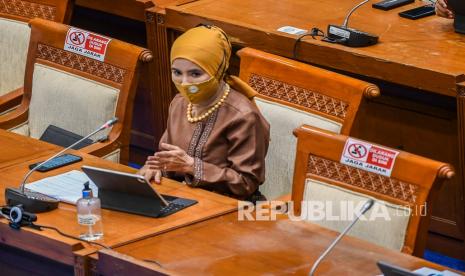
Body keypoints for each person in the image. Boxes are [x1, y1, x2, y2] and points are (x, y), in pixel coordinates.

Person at [138, 25, 270, 202]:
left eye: (195, 73)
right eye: (177, 72)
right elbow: (167, 155)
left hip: (227, 205)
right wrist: (155, 167)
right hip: (181, 197)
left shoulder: (243, 116)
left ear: (217, 71)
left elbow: (246, 183)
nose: (185, 83)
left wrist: (192, 166)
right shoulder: (179, 103)